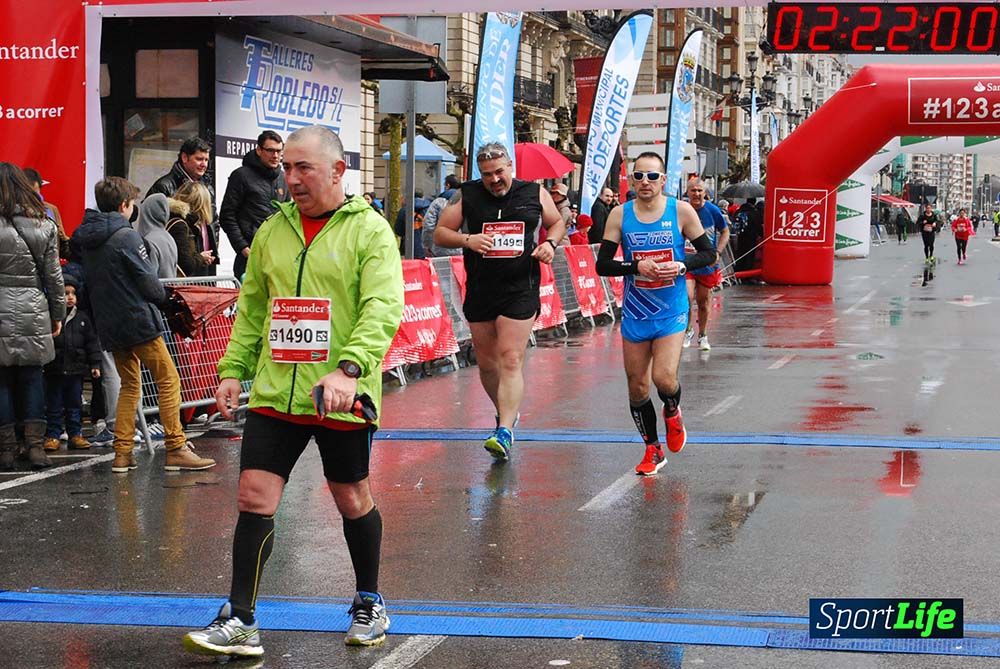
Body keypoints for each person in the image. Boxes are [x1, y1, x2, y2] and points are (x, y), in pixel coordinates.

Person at [182, 126, 404, 658]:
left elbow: (382, 307)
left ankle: (369, 601)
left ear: (337, 170)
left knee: (352, 499)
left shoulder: (370, 231)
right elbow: (254, 308)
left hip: (339, 395)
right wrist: (232, 369)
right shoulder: (271, 231)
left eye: (304, 167)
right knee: (253, 498)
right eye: (288, 168)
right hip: (277, 393)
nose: (293, 178)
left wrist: (349, 370)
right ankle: (241, 619)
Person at [72, 177, 215, 474]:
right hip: (137, 319)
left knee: (130, 385)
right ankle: (176, 446)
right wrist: (168, 301)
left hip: (108, 322)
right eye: (132, 203)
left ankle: (122, 453)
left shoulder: (85, 239)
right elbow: (148, 282)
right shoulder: (126, 236)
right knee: (168, 379)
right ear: (125, 205)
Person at [433, 142, 565, 461]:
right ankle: (505, 413)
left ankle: (504, 430)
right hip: (481, 288)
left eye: (499, 172)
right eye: (488, 174)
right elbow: (439, 233)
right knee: (488, 363)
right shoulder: (467, 195)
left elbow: (557, 222)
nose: (494, 180)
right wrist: (468, 239)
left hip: (521, 286)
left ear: (511, 168)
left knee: (509, 358)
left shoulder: (533, 194)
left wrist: (551, 243)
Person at [594, 152, 718, 476]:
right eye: (639, 177)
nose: (645, 183)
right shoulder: (620, 215)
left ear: (664, 180)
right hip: (636, 310)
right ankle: (652, 449)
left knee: (663, 378)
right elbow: (602, 264)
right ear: (631, 181)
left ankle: (673, 412)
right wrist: (636, 266)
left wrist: (682, 264)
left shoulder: (681, 211)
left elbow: (709, 253)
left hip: (672, 308)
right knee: (637, 387)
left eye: (652, 177)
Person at [0, 163, 66, 470]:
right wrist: (58, 313)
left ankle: (6, 450)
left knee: (1, 379)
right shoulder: (43, 225)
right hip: (33, 307)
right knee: (31, 376)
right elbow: (54, 277)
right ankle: (36, 446)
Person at [43, 274, 102, 452]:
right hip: (54, 369)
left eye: (72, 293)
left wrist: (95, 365)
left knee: (74, 405)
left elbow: (92, 343)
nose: (69, 297)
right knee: (54, 405)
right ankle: (53, 434)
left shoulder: (82, 318)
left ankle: (75, 434)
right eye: (65, 293)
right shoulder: (50, 318)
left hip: (75, 370)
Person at [220, 130, 289, 280]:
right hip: (248, 258)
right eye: (270, 150)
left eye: (279, 151)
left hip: (277, 258)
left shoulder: (284, 178)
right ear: (259, 150)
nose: (275, 155)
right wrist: (243, 247)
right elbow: (227, 216)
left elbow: (290, 216)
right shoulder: (241, 176)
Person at [682, 178, 729, 352]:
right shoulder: (682, 210)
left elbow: (725, 231)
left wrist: (717, 252)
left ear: (705, 193)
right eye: (693, 190)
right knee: (687, 297)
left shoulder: (713, 210)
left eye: (699, 191)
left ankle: (702, 334)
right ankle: (687, 331)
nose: (696, 194)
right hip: (686, 262)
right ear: (687, 192)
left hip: (706, 263)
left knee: (703, 301)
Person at [146, 136, 216, 210]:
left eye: (206, 160)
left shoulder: (208, 187)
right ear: (184, 158)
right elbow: (151, 218)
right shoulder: (163, 187)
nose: (204, 164)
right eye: (199, 159)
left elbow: (213, 220)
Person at [170, 182, 219, 277]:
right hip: (187, 283)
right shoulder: (181, 225)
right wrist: (201, 258)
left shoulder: (188, 222)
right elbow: (186, 263)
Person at [23, 167, 69, 257]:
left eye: (36, 193)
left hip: (50, 264)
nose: (33, 198)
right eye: (29, 193)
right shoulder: (13, 210)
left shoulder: (51, 209)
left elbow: (62, 242)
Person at [136, 193, 178, 279]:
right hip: (170, 289)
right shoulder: (168, 237)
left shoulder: (149, 241)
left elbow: (148, 278)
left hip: (157, 289)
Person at [421, 174, 462, 258]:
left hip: (440, 249)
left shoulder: (438, 202)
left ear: (448, 185)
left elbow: (429, 225)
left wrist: (427, 245)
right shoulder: (466, 200)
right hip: (462, 247)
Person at [394, 192, 430, 258]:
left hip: (409, 248)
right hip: (427, 249)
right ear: (423, 197)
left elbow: (399, 231)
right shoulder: (429, 208)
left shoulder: (404, 210)